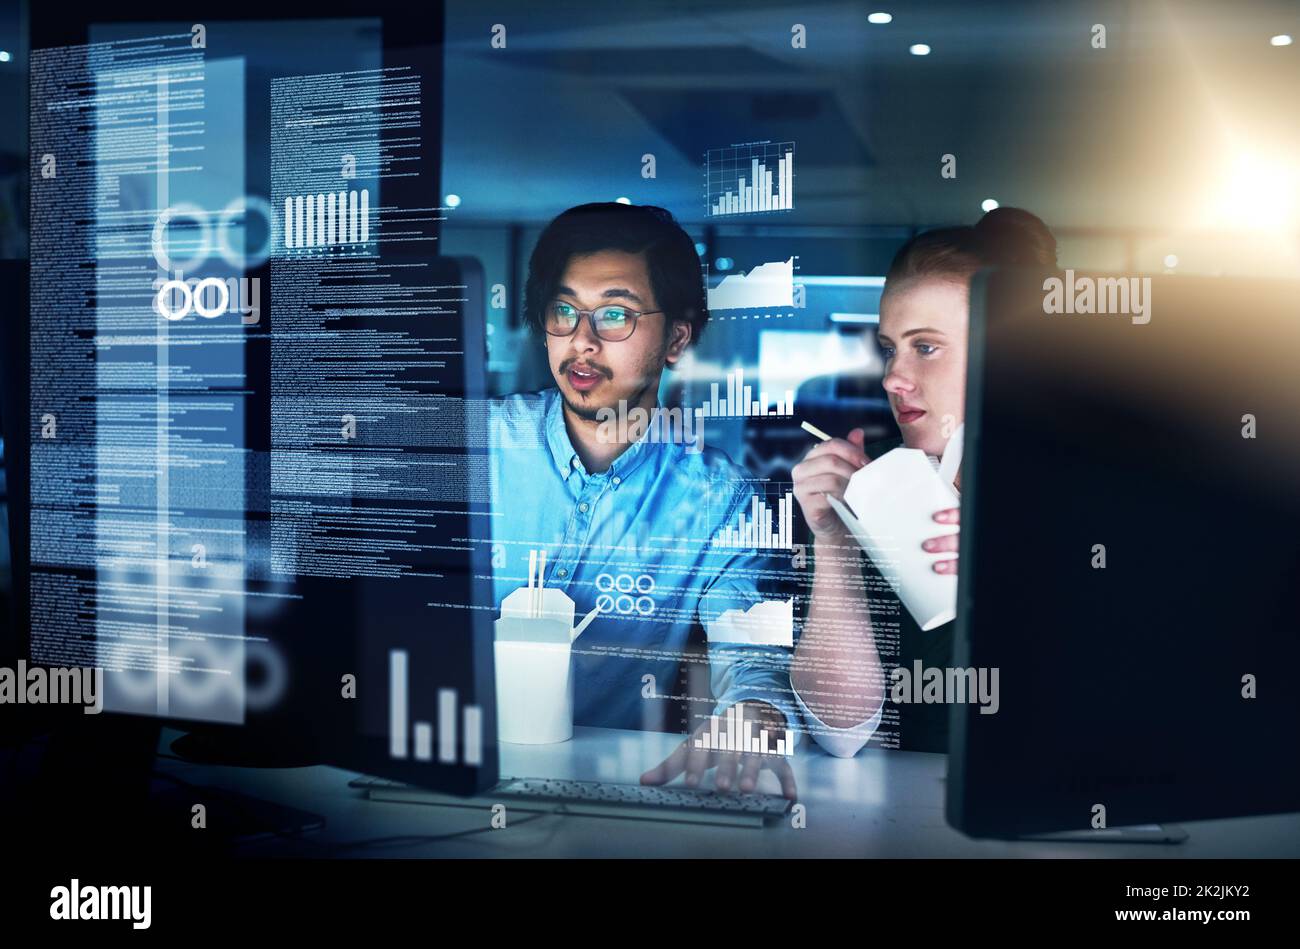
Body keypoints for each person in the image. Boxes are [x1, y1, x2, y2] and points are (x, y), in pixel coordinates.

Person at [488, 202, 797, 798]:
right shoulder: (475, 449)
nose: (581, 341)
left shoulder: (719, 501)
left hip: (599, 791)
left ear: (676, 337)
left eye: (614, 315)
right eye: (564, 311)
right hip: (429, 764)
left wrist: (752, 712)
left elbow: (752, 653)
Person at [789, 207, 1057, 756]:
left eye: (926, 347)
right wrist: (835, 541)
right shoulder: (874, 488)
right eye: (890, 348)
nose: (892, 377)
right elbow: (842, 734)